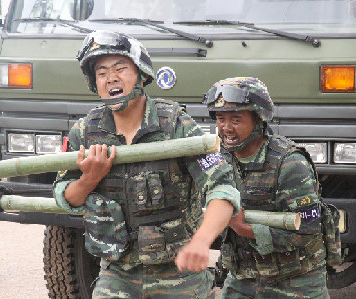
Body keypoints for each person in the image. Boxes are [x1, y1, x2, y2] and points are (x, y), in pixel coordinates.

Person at [53, 30, 241, 299]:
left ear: (141, 74)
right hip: (117, 272)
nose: (111, 78)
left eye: (121, 68)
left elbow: (223, 187)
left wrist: (201, 242)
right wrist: (89, 179)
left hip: (179, 271)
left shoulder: (175, 124)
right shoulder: (85, 132)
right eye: (102, 72)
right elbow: (65, 197)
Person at [203, 77, 329, 298]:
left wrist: (242, 227)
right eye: (220, 119)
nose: (226, 128)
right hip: (242, 279)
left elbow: (308, 230)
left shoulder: (290, 163)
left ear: (259, 119)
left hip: (295, 282)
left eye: (236, 120)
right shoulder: (217, 159)